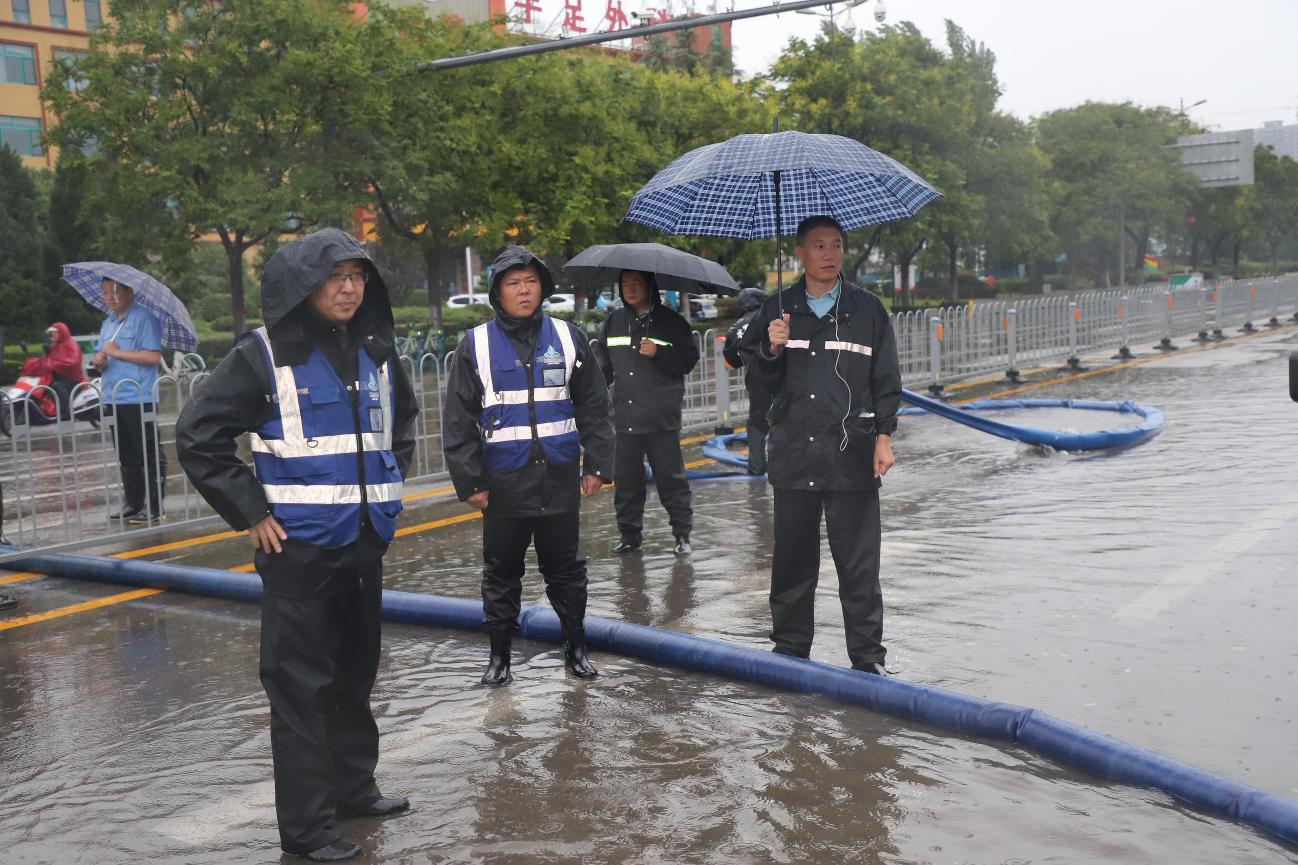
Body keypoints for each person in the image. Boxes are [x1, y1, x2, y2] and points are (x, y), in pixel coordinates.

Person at [176, 228, 419, 863]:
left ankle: (354, 789)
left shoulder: (377, 348)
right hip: (300, 553)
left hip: (364, 546)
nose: (348, 287)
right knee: (301, 691)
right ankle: (308, 833)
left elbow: (402, 425)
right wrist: (250, 510)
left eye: (357, 275)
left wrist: (387, 495)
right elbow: (198, 434)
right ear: (302, 286)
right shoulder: (263, 355)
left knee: (354, 676)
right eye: (334, 276)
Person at [443, 246, 614, 687]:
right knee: (501, 574)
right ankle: (499, 657)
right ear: (498, 292)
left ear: (543, 287)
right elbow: (458, 420)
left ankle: (576, 649)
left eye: (531, 282)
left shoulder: (567, 336)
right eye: (513, 283)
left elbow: (595, 405)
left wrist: (597, 464)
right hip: (502, 484)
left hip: (558, 478)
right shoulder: (475, 344)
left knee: (568, 572)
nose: (524, 290)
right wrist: (470, 482)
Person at [747, 215, 902, 675]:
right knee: (793, 564)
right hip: (794, 451)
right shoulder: (778, 309)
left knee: (859, 566)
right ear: (800, 252)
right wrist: (769, 350)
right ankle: (791, 652)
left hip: (850, 452)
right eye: (818, 245)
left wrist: (884, 438)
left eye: (836, 245)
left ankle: (868, 659)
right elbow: (758, 385)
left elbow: (886, 379)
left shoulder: (867, 309)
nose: (829, 254)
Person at [593, 270, 700, 555]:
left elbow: (688, 361)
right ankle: (630, 536)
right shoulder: (614, 322)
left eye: (636, 283)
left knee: (670, 480)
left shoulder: (671, 323)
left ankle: (682, 535)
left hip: (660, 417)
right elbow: (603, 368)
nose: (630, 289)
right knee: (626, 482)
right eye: (625, 284)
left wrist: (659, 353)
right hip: (625, 417)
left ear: (649, 286)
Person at [93, 280, 167, 524]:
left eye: (114, 291)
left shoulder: (144, 318)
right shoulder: (108, 323)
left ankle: (154, 507)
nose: (109, 297)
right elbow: (101, 356)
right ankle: (133, 503)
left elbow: (153, 356)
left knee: (148, 451)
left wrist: (117, 352)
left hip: (138, 397)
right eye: (105, 292)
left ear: (128, 291)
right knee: (126, 454)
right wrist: (100, 361)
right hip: (113, 396)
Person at [723, 288, 773, 476]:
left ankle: (757, 467)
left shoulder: (735, 328)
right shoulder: (773, 318)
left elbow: (732, 359)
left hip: (757, 381)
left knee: (757, 424)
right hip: (784, 375)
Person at [30, 323, 87, 419]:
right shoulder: (55, 345)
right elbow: (47, 359)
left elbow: (71, 362)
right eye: (51, 333)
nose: (52, 335)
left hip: (72, 379)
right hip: (59, 377)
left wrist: (52, 364)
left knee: (57, 386)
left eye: (54, 333)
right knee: (45, 386)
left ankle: (68, 410)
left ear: (61, 332)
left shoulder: (71, 345)